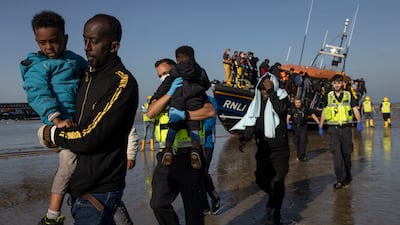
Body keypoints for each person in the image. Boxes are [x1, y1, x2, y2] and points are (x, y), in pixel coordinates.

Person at [37, 13, 139, 225]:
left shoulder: (122, 82)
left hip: (100, 190)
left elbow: (90, 135)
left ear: (113, 46)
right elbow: (75, 123)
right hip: (78, 189)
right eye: (84, 40)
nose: (86, 47)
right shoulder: (85, 76)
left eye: (93, 41)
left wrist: (52, 134)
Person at [19, 11, 88, 225]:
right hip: (57, 120)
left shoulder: (75, 60)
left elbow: (90, 79)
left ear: (65, 39)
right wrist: (56, 119)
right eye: (43, 43)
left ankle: (76, 197)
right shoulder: (36, 66)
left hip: (77, 122)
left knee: (79, 162)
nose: (49, 47)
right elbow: (38, 93)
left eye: (54, 41)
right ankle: (52, 214)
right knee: (68, 161)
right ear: (36, 42)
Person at [148, 58, 215, 225]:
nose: (163, 77)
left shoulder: (193, 90)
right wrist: (169, 93)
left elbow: (209, 111)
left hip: (189, 156)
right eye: (160, 75)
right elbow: (150, 112)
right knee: (158, 203)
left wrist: (186, 115)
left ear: (176, 71)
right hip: (166, 155)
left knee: (193, 209)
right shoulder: (162, 92)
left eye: (166, 73)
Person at [230, 73, 290, 225]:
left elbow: (281, 110)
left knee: (278, 180)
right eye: (262, 89)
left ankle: (275, 212)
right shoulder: (257, 103)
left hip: (280, 149)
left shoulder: (281, 97)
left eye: (266, 89)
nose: (264, 92)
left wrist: (271, 93)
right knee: (261, 179)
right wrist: (245, 138)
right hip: (263, 149)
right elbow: (251, 121)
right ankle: (273, 197)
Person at [155, 46, 211, 170]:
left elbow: (166, 84)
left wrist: (156, 96)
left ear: (177, 59)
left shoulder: (175, 70)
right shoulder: (200, 70)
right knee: (194, 129)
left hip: (178, 102)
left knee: (173, 127)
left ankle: (168, 148)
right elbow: (206, 84)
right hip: (194, 104)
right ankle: (195, 150)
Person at [319, 74, 362, 190]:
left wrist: (359, 122)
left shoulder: (349, 95)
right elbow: (324, 111)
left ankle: (348, 175)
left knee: (346, 154)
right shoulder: (328, 96)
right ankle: (340, 180)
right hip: (333, 129)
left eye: (339, 83)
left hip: (346, 129)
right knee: (337, 155)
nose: (337, 85)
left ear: (342, 84)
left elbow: (355, 109)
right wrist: (320, 125)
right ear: (332, 84)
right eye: (335, 83)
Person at [286, 96, 322, 161]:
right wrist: (288, 124)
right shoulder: (292, 108)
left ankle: (302, 157)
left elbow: (312, 114)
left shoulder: (305, 108)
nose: (298, 104)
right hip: (295, 127)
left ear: (301, 102)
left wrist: (319, 123)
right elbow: (288, 117)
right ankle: (299, 154)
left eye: (299, 102)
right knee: (296, 142)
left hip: (303, 127)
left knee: (303, 140)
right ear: (294, 103)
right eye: (296, 103)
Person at [202, 95, 221, 215]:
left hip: (207, 143)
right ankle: (204, 206)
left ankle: (214, 196)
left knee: (203, 172)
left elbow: (210, 122)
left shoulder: (211, 101)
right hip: (191, 143)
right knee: (194, 175)